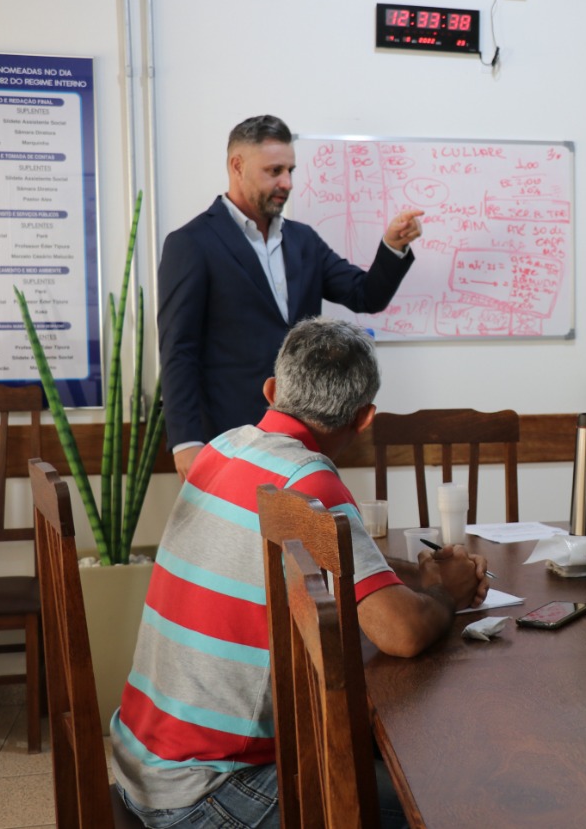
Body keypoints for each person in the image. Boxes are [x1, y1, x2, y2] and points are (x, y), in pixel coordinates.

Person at [112, 317, 488, 827]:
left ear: (271, 390)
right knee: (449, 799)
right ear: (364, 418)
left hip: (143, 762)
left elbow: (337, 563)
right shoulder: (309, 485)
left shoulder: (221, 451)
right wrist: (446, 592)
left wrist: (412, 578)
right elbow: (401, 633)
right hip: (210, 792)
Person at [159, 114, 426, 481]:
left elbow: (366, 295)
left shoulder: (304, 241)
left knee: (298, 539)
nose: (286, 182)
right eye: (274, 171)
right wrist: (186, 441)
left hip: (300, 440)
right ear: (237, 166)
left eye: (290, 170)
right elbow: (179, 348)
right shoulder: (191, 244)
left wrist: (393, 247)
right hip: (228, 438)